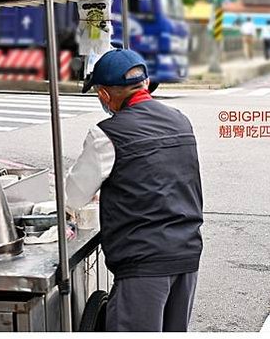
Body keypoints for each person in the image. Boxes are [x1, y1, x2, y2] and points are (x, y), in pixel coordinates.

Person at [65, 49, 204, 332]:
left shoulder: (107, 134)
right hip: (187, 254)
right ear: (145, 82)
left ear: (104, 94)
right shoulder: (180, 120)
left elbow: (73, 196)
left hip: (144, 263)